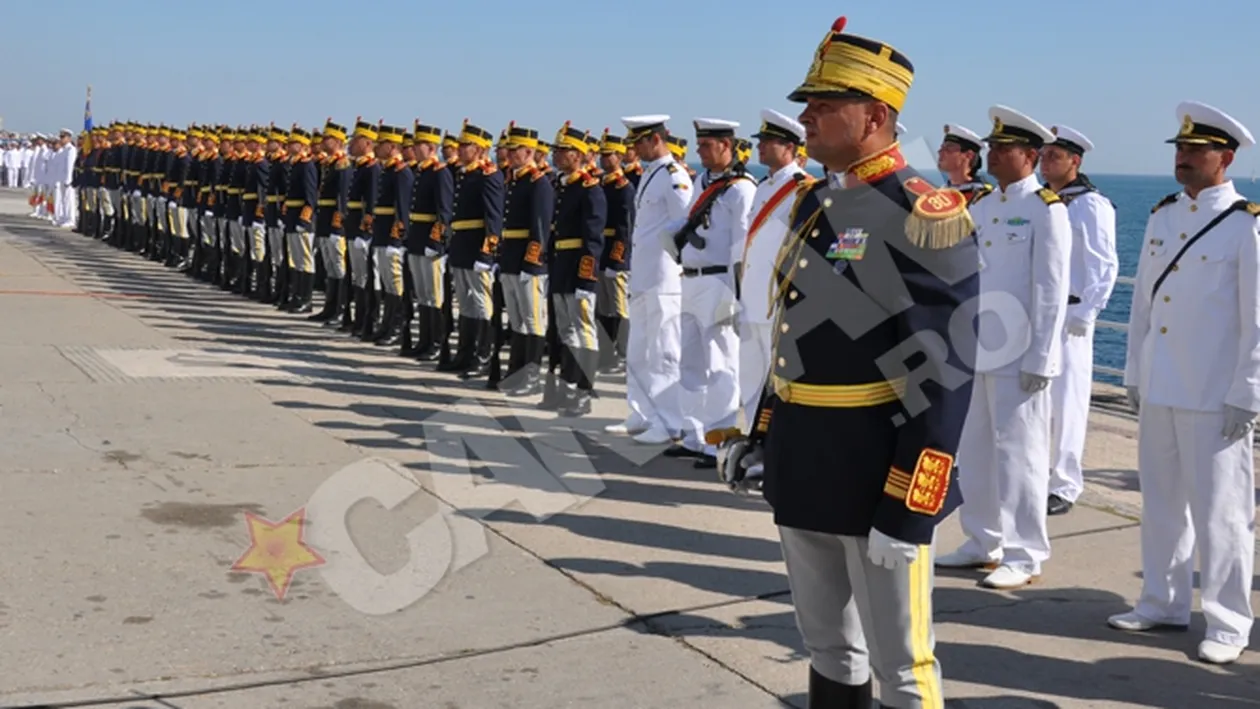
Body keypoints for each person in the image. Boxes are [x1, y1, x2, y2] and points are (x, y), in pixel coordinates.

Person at [713, 16, 979, 708]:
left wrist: (911, 505)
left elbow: (943, 376)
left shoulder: (922, 213)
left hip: (874, 470)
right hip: (807, 459)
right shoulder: (817, 202)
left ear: (876, 116)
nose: (805, 115)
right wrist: (764, 432)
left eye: (824, 104)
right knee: (830, 648)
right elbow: (793, 334)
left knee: (903, 665)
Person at [1111, 100, 1259, 666]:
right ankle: (1162, 602)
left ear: (1225, 158)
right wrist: (1133, 374)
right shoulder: (1163, 215)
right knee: (1163, 502)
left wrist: (1248, 392)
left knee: (1221, 512)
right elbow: (1146, 303)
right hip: (1162, 383)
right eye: (1179, 150)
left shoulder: (1246, 223)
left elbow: (1258, 318)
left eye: (1195, 151)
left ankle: (1227, 620)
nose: (1184, 159)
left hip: (1213, 391)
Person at [937, 105, 1072, 590]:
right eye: (991, 147)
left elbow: (1050, 289)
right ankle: (982, 539)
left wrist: (1041, 356)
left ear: (1029, 156)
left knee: (1020, 453)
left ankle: (1025, 551)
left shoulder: (1046, 210)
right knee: (973, 450)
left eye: (1002, 148)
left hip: (1020, 355)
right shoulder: (985, 207)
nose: (992, 155)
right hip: (979, 348)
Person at [661, 117, 754, 468]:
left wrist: (737, 294)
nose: (699, 151)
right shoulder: (702, 180)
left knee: (720, 364)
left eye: (706, 145)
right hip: (692, 279)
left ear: (726, 146)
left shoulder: (741, 189)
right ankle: (694, 436)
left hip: (720, 283)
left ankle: (721, 442)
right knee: (690, 362)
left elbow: (742, 245)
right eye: (699, 144)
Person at [1041, 124, 1118, 515]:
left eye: (1054, 155)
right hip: (1041, 314)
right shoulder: (1044, 201)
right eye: (1043, 155)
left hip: (1070, 316)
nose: (1045, 161)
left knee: (1068, 400)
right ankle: (1039, 476)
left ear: (1075, 160)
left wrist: (1086, 313)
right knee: (1040, 403)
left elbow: (1103, 264)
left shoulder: (1089, 204)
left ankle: (1065, 484)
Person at [606, 115, 691, 443]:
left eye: (639, 142)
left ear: (656, 140)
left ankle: (669, 421)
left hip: (664, 278)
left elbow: (684, 225)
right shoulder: (651, 174)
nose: (634, 149)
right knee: (640, 349)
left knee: (664, 351)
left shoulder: (673, 177)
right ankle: (641, 414)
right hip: (643, 275)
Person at [739, 109, 808, 467]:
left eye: (767, 141)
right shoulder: (764, 185)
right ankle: (752, 447)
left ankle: (775, 453)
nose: (760, 147)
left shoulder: (800, 188)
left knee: (776, 387)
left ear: (789, 147)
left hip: (774, 303)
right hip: (751, 299)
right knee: (750, 381)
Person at [936, 125, 991, 205]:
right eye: (942, 147)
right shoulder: (939, 193)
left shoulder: (983, 197)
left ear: (969, 155)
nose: (940, 152)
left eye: (948, 148)